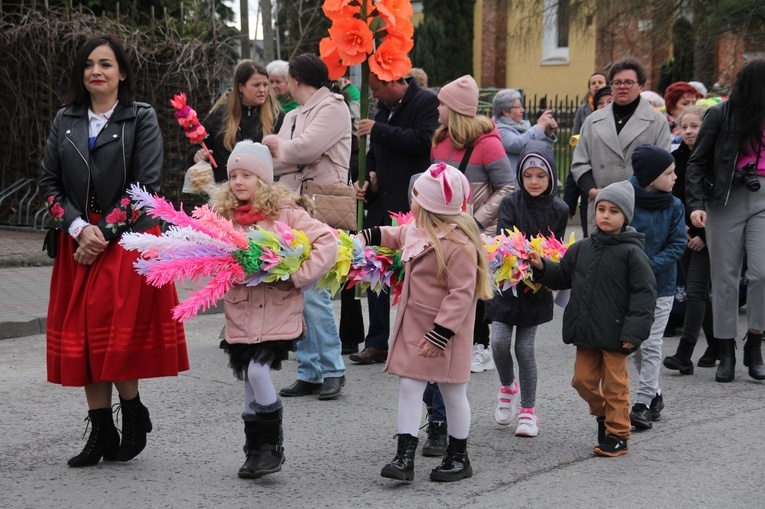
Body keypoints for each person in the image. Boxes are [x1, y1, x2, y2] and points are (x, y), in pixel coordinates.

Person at [39, 34, 189, 467]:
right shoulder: (65, 119)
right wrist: (77, 226)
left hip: (128, 239)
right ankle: (102, 427)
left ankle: (133, 411)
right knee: (85, 333)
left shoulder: (140, 117)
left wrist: (101, 232)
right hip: (78, 241)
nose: (95, 71)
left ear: (122, 72)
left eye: (105, 64)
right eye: (88, 65)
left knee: (108, 324)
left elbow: (147, 186)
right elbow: (48, 183)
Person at [364, 163, 493, 482]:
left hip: (445, 334)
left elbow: (461, 294)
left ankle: (459, 456)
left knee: (453, 394)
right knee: (409, 387)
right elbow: (398, 234)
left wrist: (441, 334)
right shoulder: (421, 228)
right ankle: (404, 455)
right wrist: (369, 235)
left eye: (417, 197)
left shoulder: (459, 243)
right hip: (415, 326)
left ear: (431, 205)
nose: (412, 201)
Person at [215, 139, 337, 479]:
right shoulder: (226, 219)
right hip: (241, 313)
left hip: (277, 311)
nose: (238, 181)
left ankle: (273, 447)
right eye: (233, 175)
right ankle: (254, 451)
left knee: (257, 372)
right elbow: (211, 257)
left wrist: (298, 275)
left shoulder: (286, 213)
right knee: (249, 386)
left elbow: (326, 241)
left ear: (264, 180)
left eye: (246, 175)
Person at [528, 181, 656, 457]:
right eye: (601, 209)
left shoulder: (632, 253)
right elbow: (562, 276)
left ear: (626, 217)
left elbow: (644, 295)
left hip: (617, 334)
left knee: (615, 386)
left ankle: (619, 433)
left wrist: (633, 333)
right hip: (586, 331)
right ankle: (604, 415)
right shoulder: (582, 248)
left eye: (613, 211)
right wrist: (542, 267)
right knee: (582, 381)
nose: (605, 215)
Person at [268, 53, 351, 400]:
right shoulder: (291, 115)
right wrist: (294, 153)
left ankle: (332, 369)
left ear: (296, 79)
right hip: (292, 206)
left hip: (320, 206)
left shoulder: (334, 107)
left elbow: (304, 148)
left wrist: (290, 151)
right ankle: (309, 370)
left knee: (314, 289)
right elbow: (278, 157)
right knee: (296, 287)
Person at [350, 72, 440, 365]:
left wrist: (378, 130)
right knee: (378, 271)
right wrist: (369, 180)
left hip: (413, 205)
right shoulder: (382, 110)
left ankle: (414, 339)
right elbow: (373, 157)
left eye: (376, 89)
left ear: (393, 83)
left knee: (414, 275)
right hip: (383, 203)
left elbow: (423, 141)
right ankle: (376, 341)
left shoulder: (425, 102)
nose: (374, 96)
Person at [686, 58, 765, 383]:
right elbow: (697, 162)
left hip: (763, 196)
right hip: (725, 199)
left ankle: (755, 343)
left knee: (762, 272)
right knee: (725, 279)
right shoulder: (721, 114)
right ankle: (726, 349)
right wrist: (695, 204)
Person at [431, 74, 515, 373]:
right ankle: (453, 339)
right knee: (448, 286)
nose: (437, 107)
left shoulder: (488, 144)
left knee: (474, 289)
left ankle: (480, 345)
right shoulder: (440, 140)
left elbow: (507, 187)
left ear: (453, 108)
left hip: (476, 230)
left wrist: (476, 221)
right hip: (443, 228)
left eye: (441, 103)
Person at [484, 140, 569, 437]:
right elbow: (502, 242)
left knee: (524, 348)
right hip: (507, 284)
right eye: (528, 175)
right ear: (520, 175)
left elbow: (555, 249)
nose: (534, 182)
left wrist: (543, 265)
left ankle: (529, 411)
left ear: (551, 178)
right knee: (498, 342)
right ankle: (508, 387)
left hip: (537, 286)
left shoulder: (560, 208)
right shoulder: (510, 203)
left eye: (541, 176)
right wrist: (519, 258)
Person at [571, 58, 672, 233]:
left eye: (628, 82)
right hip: (601, 206)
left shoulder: (656, 121)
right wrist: (592, 190)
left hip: (640, 205)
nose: (622, 86)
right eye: (617, 82)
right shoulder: (592, 121)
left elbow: (664, 168)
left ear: (640, 86)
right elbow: (580, 162)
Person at [626, 145, 686, 430]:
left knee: (651, 344)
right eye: (669, 173)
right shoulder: (625, 197)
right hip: (629, 285)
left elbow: (677, 245)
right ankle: (656, 394)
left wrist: (648, 265)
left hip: (661, 286)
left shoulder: (675, 205)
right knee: (635, 344)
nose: (675, 177)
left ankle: (642, 402)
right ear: (650, 176)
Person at [663, 105, 719, 373]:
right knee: (700, 293)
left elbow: (718, 202)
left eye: (694, 126)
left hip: (708, 235)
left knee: (696, 289)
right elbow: (672, 197)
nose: (688, 131)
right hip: (682, 234)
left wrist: (704, 236)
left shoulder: (714, 157)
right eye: (683, 127)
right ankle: (718, 345)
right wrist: (681, 231)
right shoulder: (677, 157)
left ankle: (684, 353)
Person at [191, 60, 284, 182]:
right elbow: (198, 144)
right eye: (256, 85)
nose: (262, 90)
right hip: (225, 190)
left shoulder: (277, 116)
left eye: (265, 85)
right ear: (240, 87)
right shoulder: (220, 115)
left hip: (264, 193)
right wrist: (198, 154)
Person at [564, 85, 613, 237]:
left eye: (609, 101)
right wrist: (569, 205)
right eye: (600, 103)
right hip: (592, 197)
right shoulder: (589, 129)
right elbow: (577, 168)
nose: (605, 106)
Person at [491, 89, 557, 171]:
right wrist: (540, 126)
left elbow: (536, 148)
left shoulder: (521, 126)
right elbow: (519, 144)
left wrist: (547, 133)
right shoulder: (498, 129)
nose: (522, 110)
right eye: (518, 107)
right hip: (512, 182)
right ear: (505, 112)